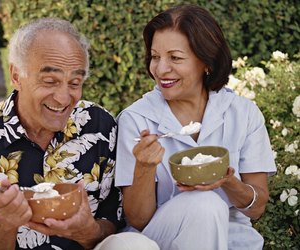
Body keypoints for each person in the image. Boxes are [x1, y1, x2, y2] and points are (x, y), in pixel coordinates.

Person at [0, 17, 132, 250]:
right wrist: (3, 224)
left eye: (74, 83)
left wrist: (88, 231)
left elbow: (116, 222)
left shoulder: (99, 125)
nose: (64, 98)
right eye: (50, 81)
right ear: (16, 76)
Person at [115, 4, 276, 250]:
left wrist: (228, 181)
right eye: (155, 57)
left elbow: (257, 207)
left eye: (175, 58)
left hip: (232, 238)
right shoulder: (136, 119)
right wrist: (144, 168)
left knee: (209, 204)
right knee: (204, 204)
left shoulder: (243, 114)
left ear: (206, 62)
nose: (160, 69)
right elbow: (139, 220)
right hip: (159, 238)